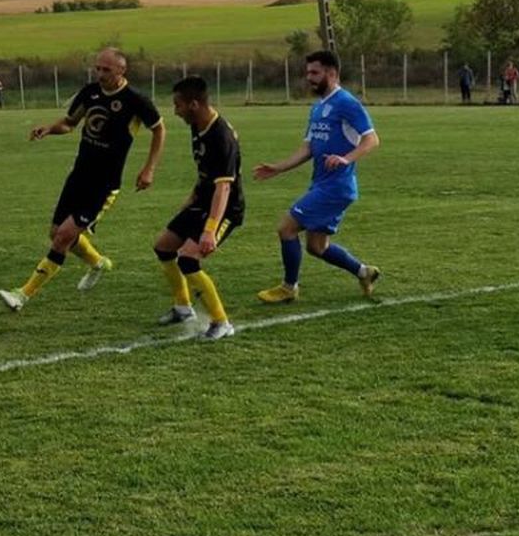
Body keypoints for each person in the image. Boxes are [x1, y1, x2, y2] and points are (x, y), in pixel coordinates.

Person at [0, 48, 166, 311]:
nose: (100, 74)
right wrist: (49, 129)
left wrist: (149, 169)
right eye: (97, 68)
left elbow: (159, 130)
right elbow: (70, 123)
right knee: (56, 232)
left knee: (63, 237)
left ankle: (22, 295)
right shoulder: (90, 92)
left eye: (106, 70)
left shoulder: (135, 100)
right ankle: (97, 263)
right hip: (78, 175)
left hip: (104, 184)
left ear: (122, 70)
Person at [254, 50, 380, 305]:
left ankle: (289, 288)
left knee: (286, 228)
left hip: (336, 186)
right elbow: (308, 148)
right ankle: (364, 272)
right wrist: (279, 168)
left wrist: (346, 159)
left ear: (331, 73)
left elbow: (372, 139)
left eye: (315, 72)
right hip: (323, 184)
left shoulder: (346, 102)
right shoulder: (317, 107)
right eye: (308, 72)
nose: (309, 77)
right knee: (317, 246)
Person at [153, 76, 244, 341]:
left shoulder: (221, 136)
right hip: (202, 201)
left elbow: (223, 187)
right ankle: (183, 308)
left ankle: (221, 322)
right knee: (163, 247)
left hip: (225, 209)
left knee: (188, 259)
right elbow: (205, 173)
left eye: (178, 105)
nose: (175, 111)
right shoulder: (197, 125)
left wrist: (210, 230)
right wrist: (189, 202)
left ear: (193, 104)